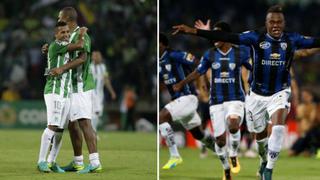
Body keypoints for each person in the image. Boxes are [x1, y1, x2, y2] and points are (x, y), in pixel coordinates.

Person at [172, 5, 320, 180]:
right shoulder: (255, 37)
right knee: (260, 138)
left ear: (284, 23)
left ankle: (269, 171)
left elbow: (316, 41)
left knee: (278, 128)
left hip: (280, 92)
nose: (276, 25)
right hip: (256, 96)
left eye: (279, 22)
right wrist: (194, 32)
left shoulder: (292, 39)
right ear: (266, 23)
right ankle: (263, 159)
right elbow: (226, 37)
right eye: (272, 22)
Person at [173, 21, 251, 180]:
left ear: (227, 36)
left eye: (217, 34)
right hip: (216, 101)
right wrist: (182, 83)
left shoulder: (241, 53)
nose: (214, 38)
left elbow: (253, 68)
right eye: (212, 35)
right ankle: (226, 169)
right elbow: (198, 71)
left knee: (234, 125)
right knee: (221, 141)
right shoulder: (209, 54)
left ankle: (234, 154)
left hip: (235, 98)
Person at [49, 7, 102, 173]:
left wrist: (63, 68)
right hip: (69, 87)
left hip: (81, 85)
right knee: (72, 125)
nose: (58, 18)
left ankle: (95, 162)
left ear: (66, 17)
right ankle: (78, 161)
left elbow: (83, 58)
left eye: (59, 16)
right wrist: (47, 48)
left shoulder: (82, 34)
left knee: (85, 122)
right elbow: (61, 50)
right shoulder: (67, 35)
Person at [159, 32, 215, 170]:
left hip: (188, 98)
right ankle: (222, 149)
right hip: (180, 103)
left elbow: (199, 64)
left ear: (163, 45)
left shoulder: (174, 55)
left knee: (162, 117)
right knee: (199, 135)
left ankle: (175, 156)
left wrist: (201, 85)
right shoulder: (160, 63)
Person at [37, 21, 87, 173]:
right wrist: (82, 33)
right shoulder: (56, 45)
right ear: (56, 34)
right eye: (62, 32)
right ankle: (41, 161)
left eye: (67, 32)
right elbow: (79, 46)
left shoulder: (61, 47)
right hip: (54, 91)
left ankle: (51, 162)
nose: (65, 35)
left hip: (65, 93)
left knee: (60, 129)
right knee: (52, 126)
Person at [90, 50, 116, 132]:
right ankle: (93, 132)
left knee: (97, 112)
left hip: (100, 93)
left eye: (99, 56)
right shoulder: (89, 67)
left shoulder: (103, 67)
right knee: (95, 112)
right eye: (96, 56)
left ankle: (92, 131)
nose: (98, 58)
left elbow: (106, 80)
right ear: (92, 57)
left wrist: (112, 92)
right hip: (91, 92)